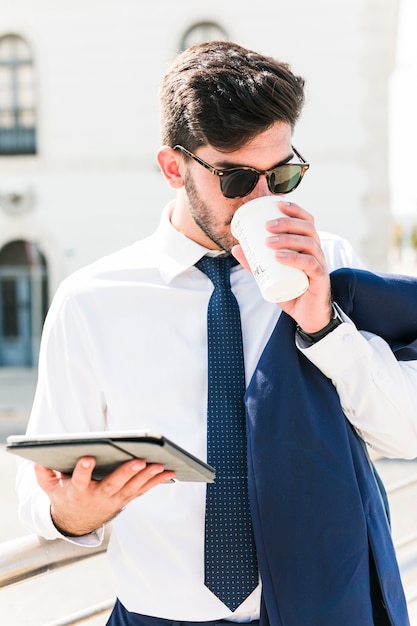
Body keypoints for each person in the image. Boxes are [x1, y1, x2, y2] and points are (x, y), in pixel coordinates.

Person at [16, 41, 417, 625]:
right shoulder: (90, 302)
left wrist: (323, 324)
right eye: (236, 178)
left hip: (314, 612)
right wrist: (75, 513)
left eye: (282, 174)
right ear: (174, 167)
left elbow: (404, 433)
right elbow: (40, 487)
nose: (263, 198)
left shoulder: (327, 266)